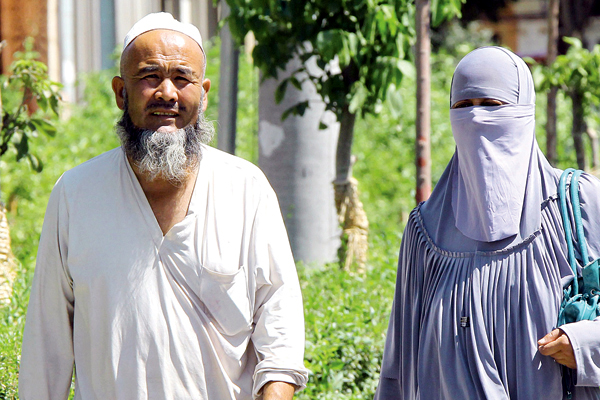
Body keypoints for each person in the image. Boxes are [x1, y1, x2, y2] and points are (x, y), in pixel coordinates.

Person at [19, 12, 308, 400]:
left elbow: (280, 327)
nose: (167, 93)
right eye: (150, 76)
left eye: (182, 79)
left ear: (203, 93)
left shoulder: (246, 189)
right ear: (121, 92)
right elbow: (46, 347)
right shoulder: (76, 193)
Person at [375, 47, 600, 399]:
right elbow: (397, 369)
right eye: (463, 107)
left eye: (492, 105)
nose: (477, 119)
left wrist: (586, 345)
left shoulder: (579, 205)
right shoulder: (426, 232)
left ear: (524, 111)